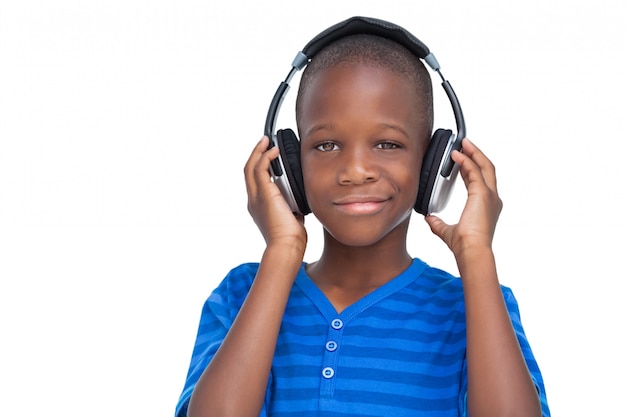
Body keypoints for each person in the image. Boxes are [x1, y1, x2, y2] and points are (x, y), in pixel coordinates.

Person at [175, 17, 550, 417]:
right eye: (327, 144)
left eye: (387, 143)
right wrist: (282, 250)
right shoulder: (242, 293)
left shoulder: (477, 303)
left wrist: (476, 255)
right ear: (288, 165)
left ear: (435, 163)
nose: (355, 170)